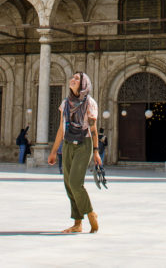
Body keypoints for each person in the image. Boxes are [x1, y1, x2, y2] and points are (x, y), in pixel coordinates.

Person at [49, 71, 101, 233]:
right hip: (68, 144)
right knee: (68, 184)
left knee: (75, 183)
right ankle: (77, 223)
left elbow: (93, 129)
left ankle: (91, 213)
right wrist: (53, 151)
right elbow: (60, 128)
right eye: (72, 78)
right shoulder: (66, 103)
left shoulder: (89, 103)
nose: (72, 80)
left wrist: (96, 151)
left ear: (83, 83)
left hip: (84, 144)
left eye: (77, 78)